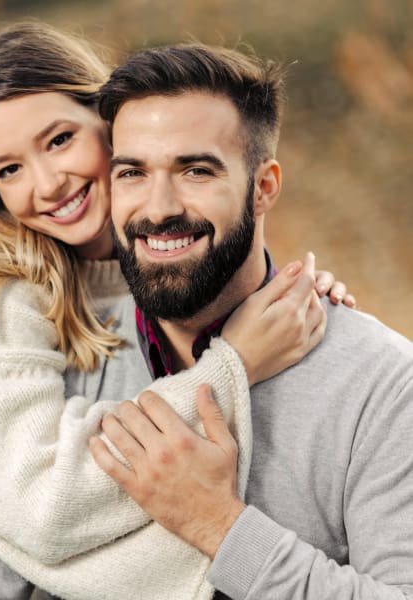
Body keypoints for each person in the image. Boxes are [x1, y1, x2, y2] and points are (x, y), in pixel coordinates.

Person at [0, 24, 352, 600]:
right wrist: (235, 363)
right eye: (8, 170)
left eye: (59, 140)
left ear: (111, 120)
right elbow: (39, 505)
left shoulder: (155, 246)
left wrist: (287, 297)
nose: (48, 185)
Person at [85, 43, 413, 599]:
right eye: (133, 172)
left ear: (264, 187)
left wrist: (216, 522)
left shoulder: (384, 385)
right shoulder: (73, 351)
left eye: (195, 170)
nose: (159, 207)